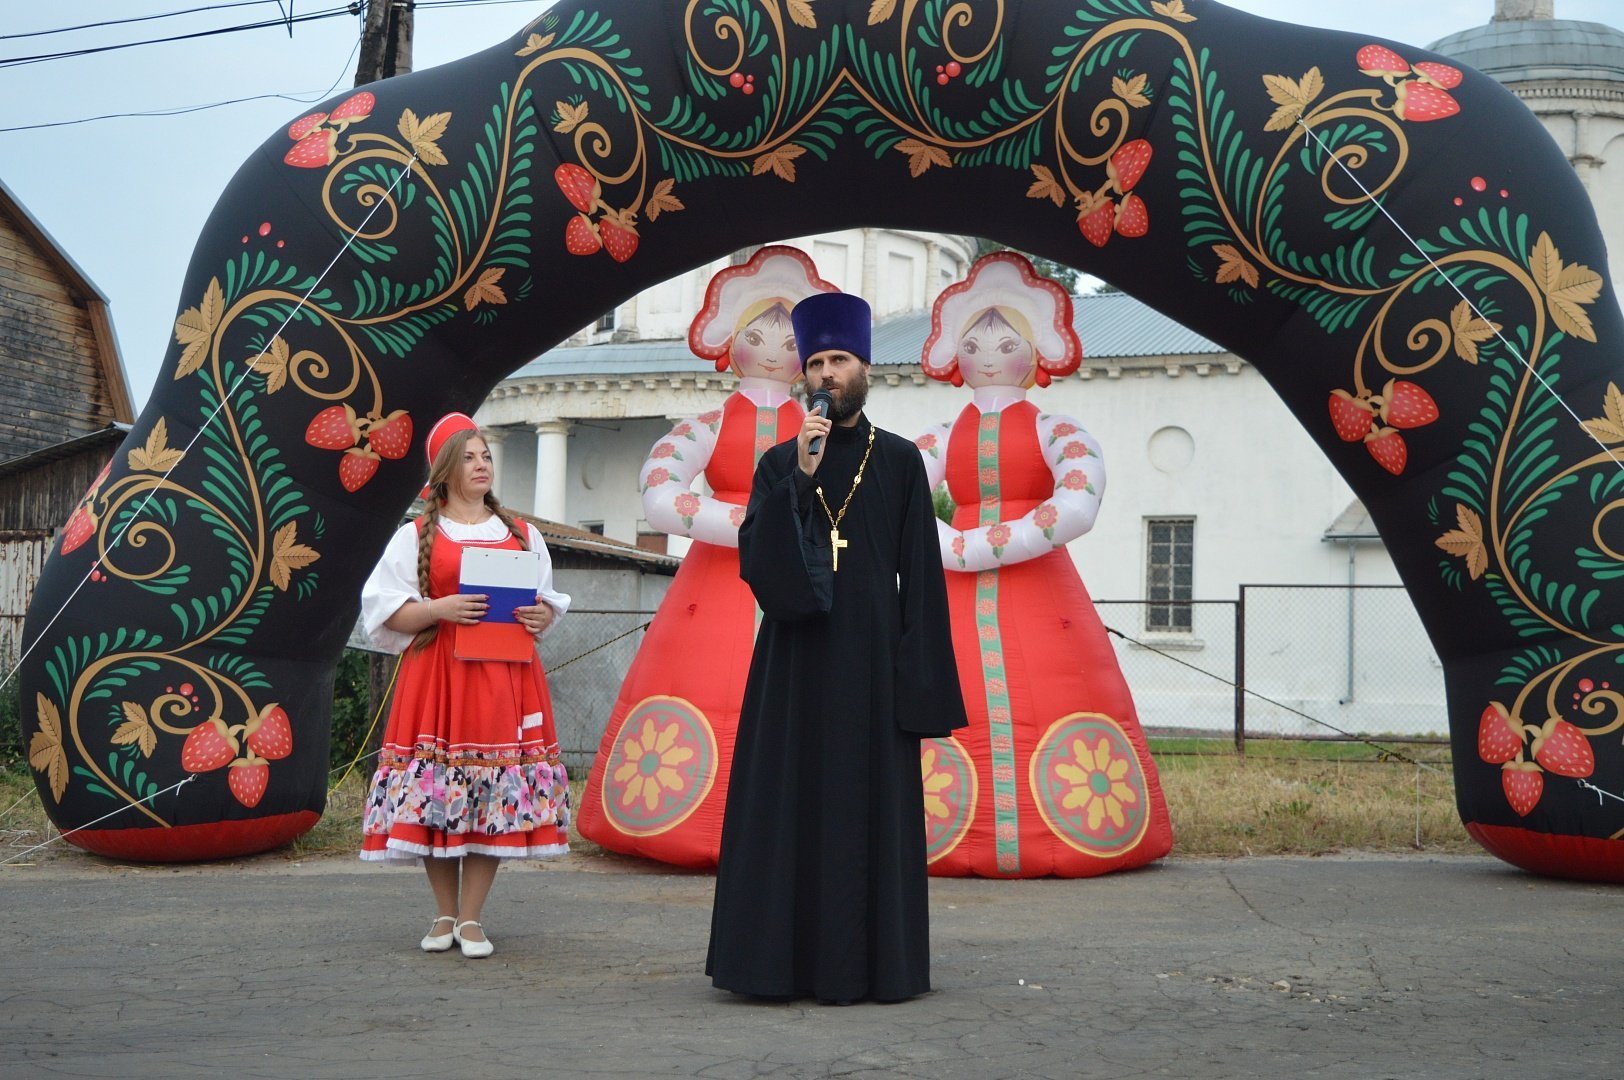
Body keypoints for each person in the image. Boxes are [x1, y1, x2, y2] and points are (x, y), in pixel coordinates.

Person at [706, 291, 968, 1004]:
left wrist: (920, 692)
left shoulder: (902, 462)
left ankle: (868, 965)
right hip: (794, 660)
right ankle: (774, 965)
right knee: (788, 805)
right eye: (815, 361)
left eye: (839, 360)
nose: (826, 373)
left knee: (866, 812)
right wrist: (799, 477)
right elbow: (759, 562)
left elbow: (922, 577)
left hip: (873, 662)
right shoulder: (777, 465)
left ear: (864, 368)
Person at [913, 252, 1171, 878]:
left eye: (1006, 341)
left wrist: (975, 546)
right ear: (955, 356)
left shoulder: (1058, 427)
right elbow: (896, 490)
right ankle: (938, 827)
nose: (989, 352)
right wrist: (939, 538)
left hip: (1037, 583)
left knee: (1052, 686)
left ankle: (1071, 826)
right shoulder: (942, 434)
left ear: (1036, 351)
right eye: (973, 342)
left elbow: (1078, 502)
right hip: (958, 578)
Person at [578, 246, 836, 867]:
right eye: (759, 333)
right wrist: (761, 524)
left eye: (788, 336)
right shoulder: (708, 423)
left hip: (799, 582)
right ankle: (696, 819)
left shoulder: (827, 428)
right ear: (731, 341)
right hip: (718, 587)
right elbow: (661, 491)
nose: (775, 348)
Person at [358, 412, 572, 958]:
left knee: (493, 790)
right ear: (448, 469)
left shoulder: (523, 534)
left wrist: (540, 617)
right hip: (439, 677)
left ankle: (473, 918)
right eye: (470, 457)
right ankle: (444, 912)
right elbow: (384, 615)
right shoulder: (416, 536)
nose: (482, 465)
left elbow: (546, 605)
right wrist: (440, 608)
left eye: (486, 456)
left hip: (504, 678)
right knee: (437, 791)